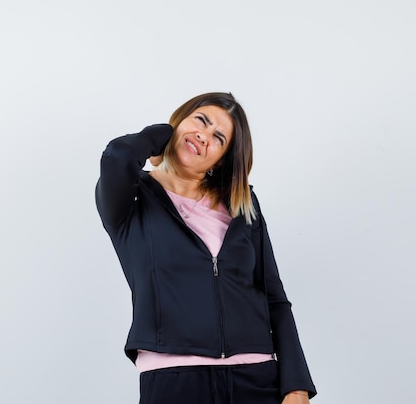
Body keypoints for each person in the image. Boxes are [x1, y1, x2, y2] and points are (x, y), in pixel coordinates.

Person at [96, 92, 316, 403]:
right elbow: (117, 156)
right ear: (180, 119)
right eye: (201, 120)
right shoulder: (131, 199)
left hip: (257, 377)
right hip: (174, 382)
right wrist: (159, 139)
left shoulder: (243, 205)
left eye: (219, 138)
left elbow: (274, 297)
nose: (204, 136)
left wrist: (297, 385)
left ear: (221, 159)